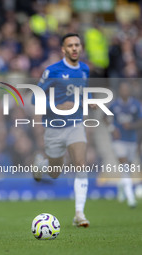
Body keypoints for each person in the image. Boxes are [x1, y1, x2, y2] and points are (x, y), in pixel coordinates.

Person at [32, 33, 95, 227]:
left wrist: (90, 100)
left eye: (77, 45)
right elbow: (36, 99)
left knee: (81, 165)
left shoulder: (84, 69)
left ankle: (79, 214)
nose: (74, 48)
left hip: (76, 124)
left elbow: (85, 91)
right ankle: (40, 166)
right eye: (70, 45)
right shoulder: (52, 71)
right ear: (63, 49)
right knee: (55, 172)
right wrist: (58, 107)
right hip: (54, 127)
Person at [107, 82, 142, 208]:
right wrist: (112, 128)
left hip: (131, 140)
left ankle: (121, 186)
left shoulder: (136, 105)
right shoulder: (114, 105)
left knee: (127, 168)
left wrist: (131, 126)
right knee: (125, 165)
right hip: (118, 140)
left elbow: (140, 121)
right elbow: (104, 117)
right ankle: (131, 199)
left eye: (127, 89)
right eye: (123, 89)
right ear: (120, 91)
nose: (125, 91)